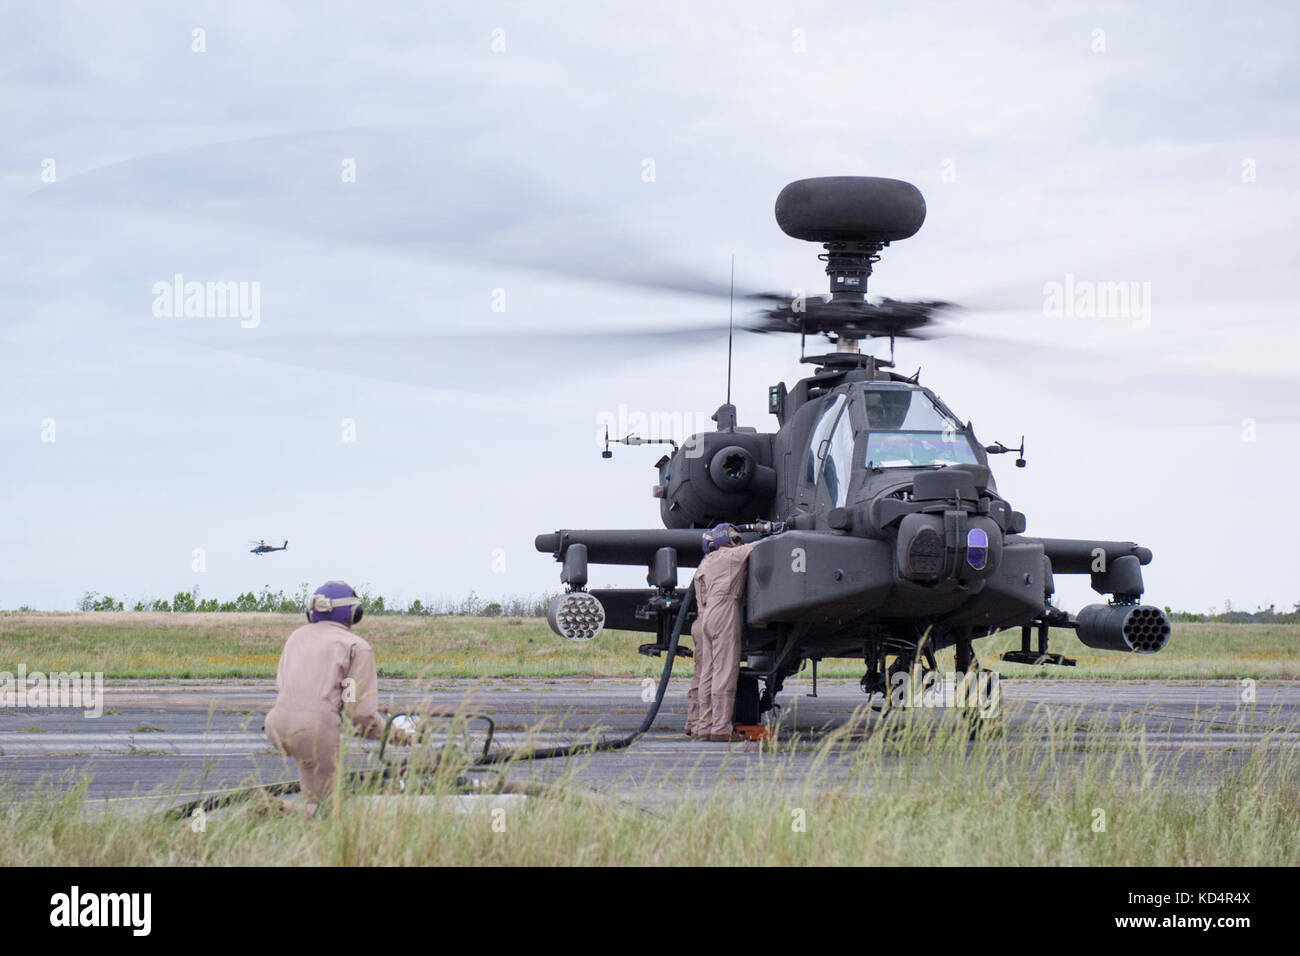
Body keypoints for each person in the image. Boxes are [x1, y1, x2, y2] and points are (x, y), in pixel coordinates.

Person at [264, 580, 391, 811]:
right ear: (354, 613)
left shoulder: (297, 637)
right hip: (315, 731)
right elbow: (359, 715)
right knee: (328, 810)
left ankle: (286, 816)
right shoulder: (356, 646)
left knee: (312, 784)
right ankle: (278, 810)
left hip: (277, 723)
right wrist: (391, 733)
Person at [686, 523, 758, 742]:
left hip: (703, 618)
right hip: (724, 611)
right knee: (724, 671)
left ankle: (701, 725)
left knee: (705, 673)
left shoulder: (705, 563)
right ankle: (720, 728)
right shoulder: (732, 556)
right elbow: (760, 546)